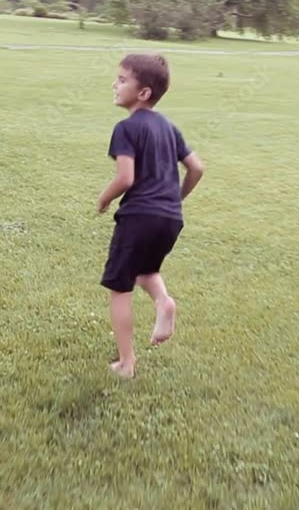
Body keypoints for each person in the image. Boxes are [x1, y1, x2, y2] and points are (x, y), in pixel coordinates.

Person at [96, 53, 205, 379]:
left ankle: (126, 363)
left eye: (122, 80)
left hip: (138, 217)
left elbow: (125, 178)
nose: (114, 84)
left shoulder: (126, 128)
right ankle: (163, 301)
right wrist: (175, 198)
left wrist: (104, 198)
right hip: (170, 219)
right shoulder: (169, 127)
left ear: (143, 93)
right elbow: (197, 168)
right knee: (145, 270)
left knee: (120, 287)